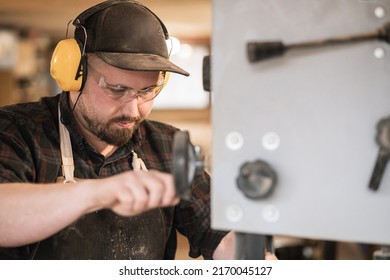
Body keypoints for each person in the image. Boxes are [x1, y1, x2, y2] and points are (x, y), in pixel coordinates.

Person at [0, 0, 275, 260]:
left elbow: (220, 231)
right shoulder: (17, 131)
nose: (133, 112)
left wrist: (251, 254)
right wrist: (98, 193)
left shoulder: (168, 145)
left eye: (147, 91)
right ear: (75, 72)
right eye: (117, 90)